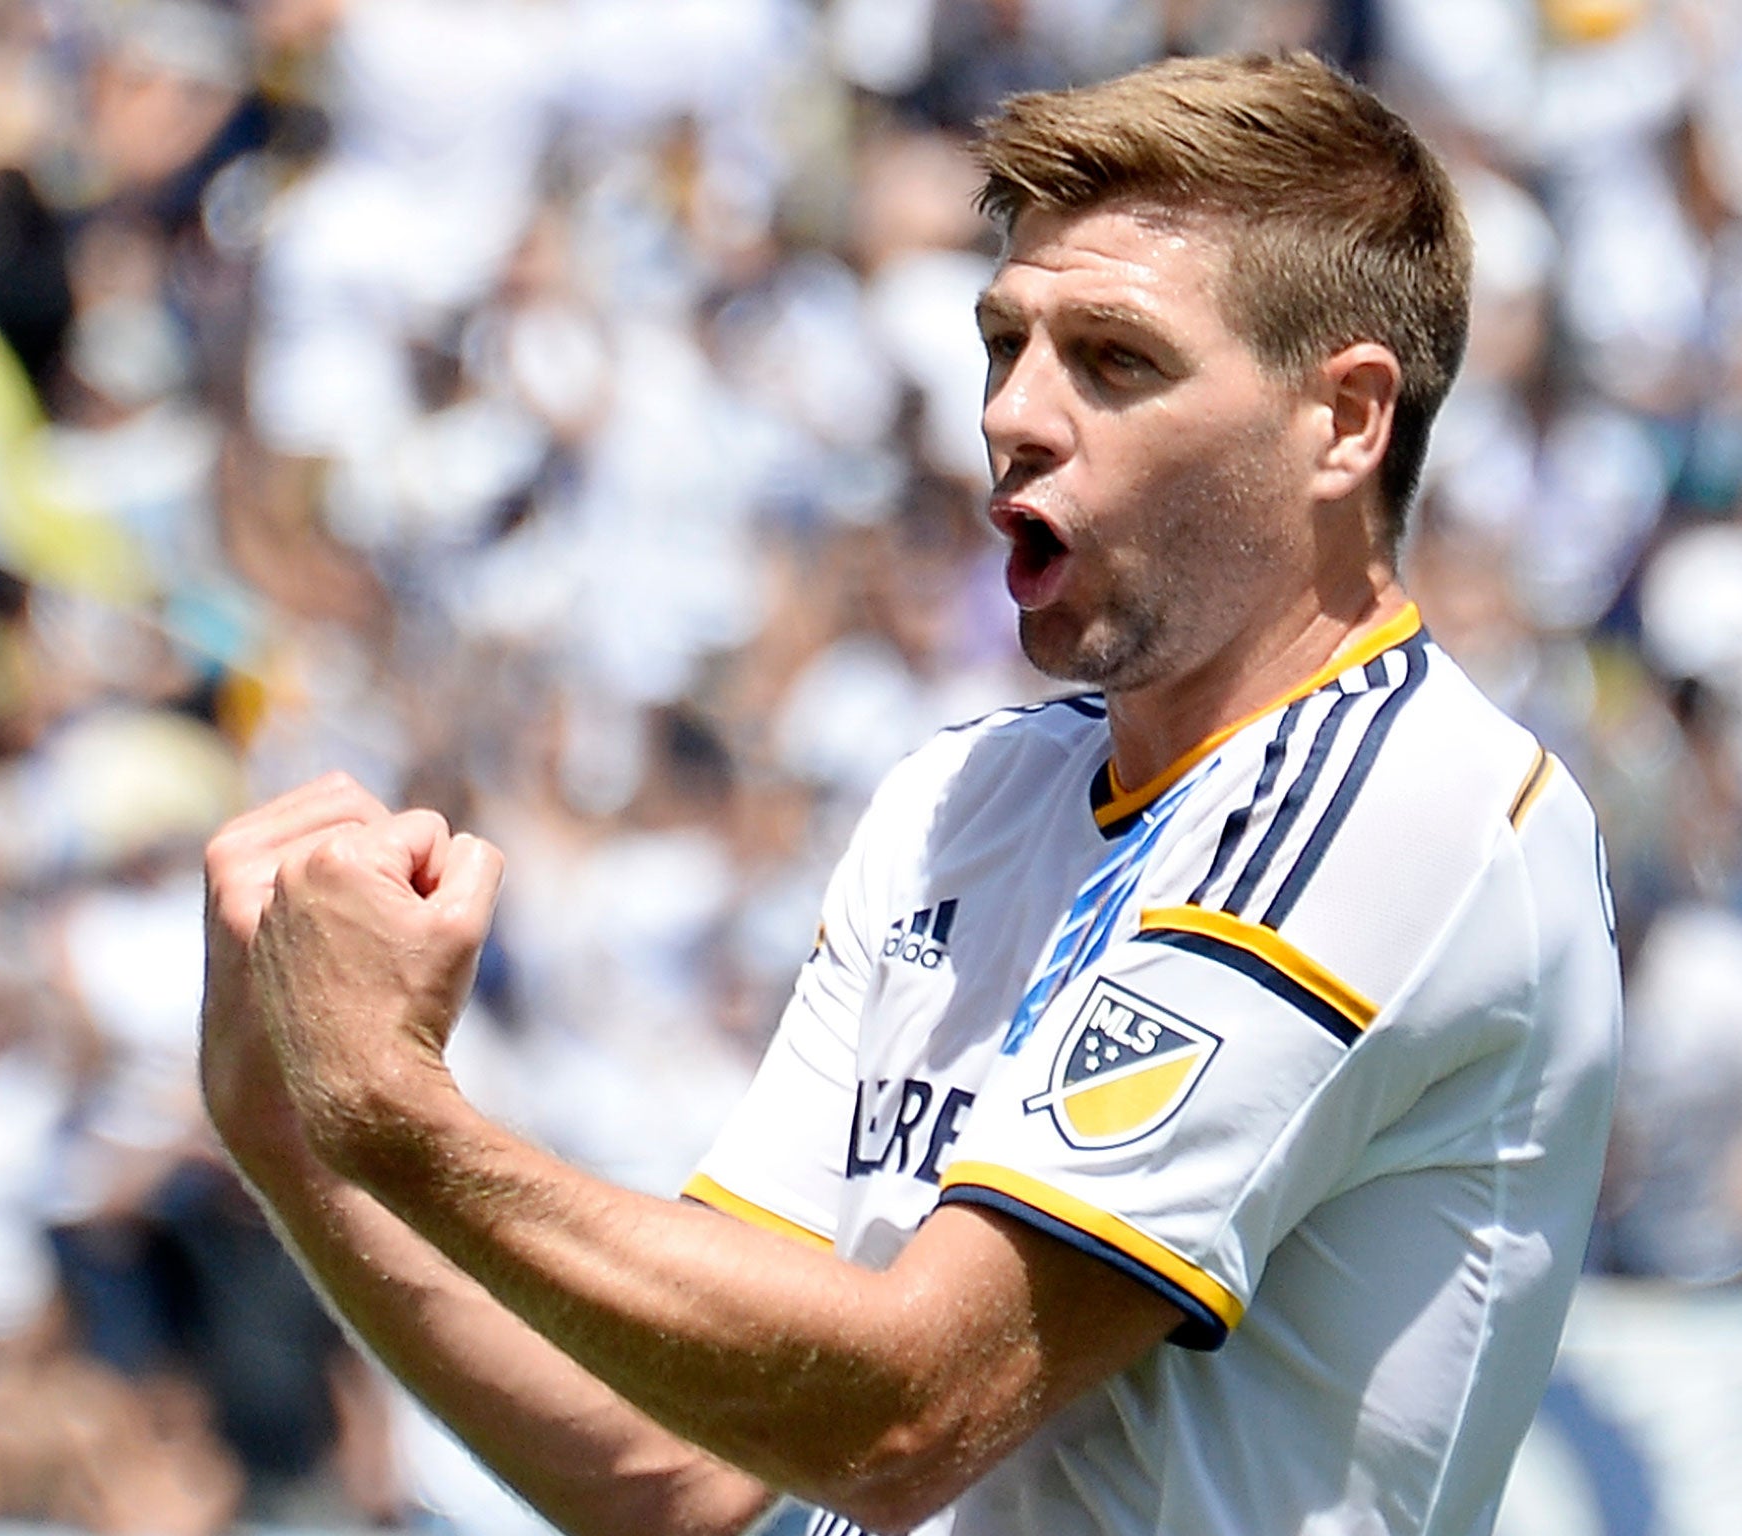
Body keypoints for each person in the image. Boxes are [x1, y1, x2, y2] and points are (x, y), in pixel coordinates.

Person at [200, 51, 1621, 1536]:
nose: (1017, 412)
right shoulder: (965, 799)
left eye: (1116, 361)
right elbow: (673, 1459)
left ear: (1344, 421)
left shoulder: (1413, 802)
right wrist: (293, 1133)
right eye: (1005, 342)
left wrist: (395, 1113)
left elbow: (909, 1415)